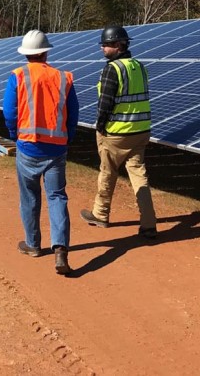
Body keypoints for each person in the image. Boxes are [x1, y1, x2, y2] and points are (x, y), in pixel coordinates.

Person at [3, 29, 79, 275]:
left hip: (28, 147)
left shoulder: (17, 76)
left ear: (26, 53)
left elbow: (9, 112)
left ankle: (33, 244)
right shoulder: (63, 78)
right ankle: (60, 250)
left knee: (30, 197)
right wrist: (67, 138)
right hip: (57, 149)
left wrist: (15, 135)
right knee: (57, 197)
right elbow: (73, 114)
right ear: (46, 52)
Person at [80, 25, 159, 240]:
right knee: (138, 176)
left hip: (116, 133)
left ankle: (100, 214)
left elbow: (105, 103)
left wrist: (101, 126)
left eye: (106, 45)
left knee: (107, 172)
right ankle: (149, 224)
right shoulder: (140, 67)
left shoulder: (112, 69)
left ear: (118, 45)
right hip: (140, 130)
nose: (102, 48)